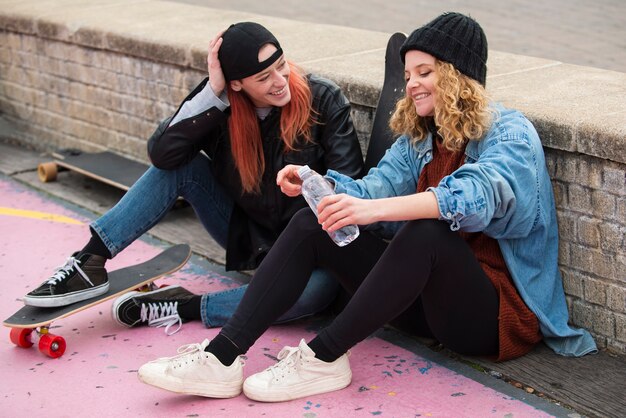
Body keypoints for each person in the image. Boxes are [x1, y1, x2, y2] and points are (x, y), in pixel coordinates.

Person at [136, 12, 598, 402]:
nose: (411, 84)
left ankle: (324, 358)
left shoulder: (509, 134)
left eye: (425, 72)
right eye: (410, 74)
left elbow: (476, 196)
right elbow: (372, 187)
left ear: (458, 75)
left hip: (494, 318)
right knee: (312, 222)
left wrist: (373, 213)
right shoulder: (421, 137)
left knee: (426, 230)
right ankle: (221, 357)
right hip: (421, 306)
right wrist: (318, 185)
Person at [23, 22, 364, 332]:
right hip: (251, 237)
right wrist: (212, 93)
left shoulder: (323, 98)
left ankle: (186, 305)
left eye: (281, 65)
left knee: (315, 294)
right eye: (263, 78)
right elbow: (163, 155)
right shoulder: (221, 106)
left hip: (311, 248)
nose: (280, 81)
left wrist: (311, 183)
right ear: (236, 83)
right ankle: (90, 262)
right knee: (182, 167)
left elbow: (350, 183)